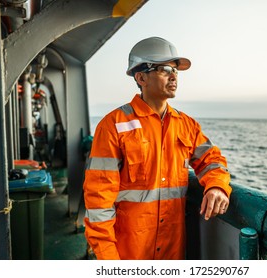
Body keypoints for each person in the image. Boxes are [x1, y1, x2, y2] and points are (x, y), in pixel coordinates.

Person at [83, 37, 231, 260]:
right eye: (164, 69)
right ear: (141, 77)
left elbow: (212, 160)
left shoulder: (187, 125)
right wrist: (109, 260)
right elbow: (98, 203)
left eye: (175, 71)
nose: (174, 76)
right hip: (128, 253)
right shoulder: (113, 126)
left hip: (172, 251)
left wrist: (217, 187)